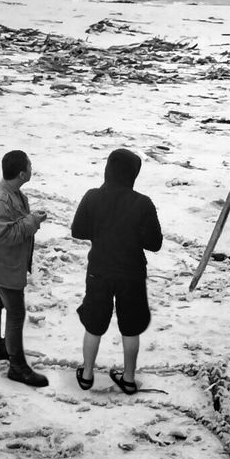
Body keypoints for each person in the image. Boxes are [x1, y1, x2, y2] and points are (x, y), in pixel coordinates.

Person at [71, 148, 163, 395]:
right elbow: (155, 243)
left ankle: (87, 374)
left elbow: (77, 231)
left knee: (94, 323)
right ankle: (129, 379)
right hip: (131, 273)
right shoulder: (142, 203)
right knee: (131, 326)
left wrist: (101, 231)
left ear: (107, 170)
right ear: (133, 174)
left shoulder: (92, 197)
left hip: (99, 270)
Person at [0, 149, 51, 388]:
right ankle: (17, 367)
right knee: (16, 313)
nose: (32, 168)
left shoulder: (12, 192)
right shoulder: (1, 199)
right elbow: (2, 236)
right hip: (3, 265)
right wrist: (32, 222)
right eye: (29, 165)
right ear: (21, 173)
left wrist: (30, 219)